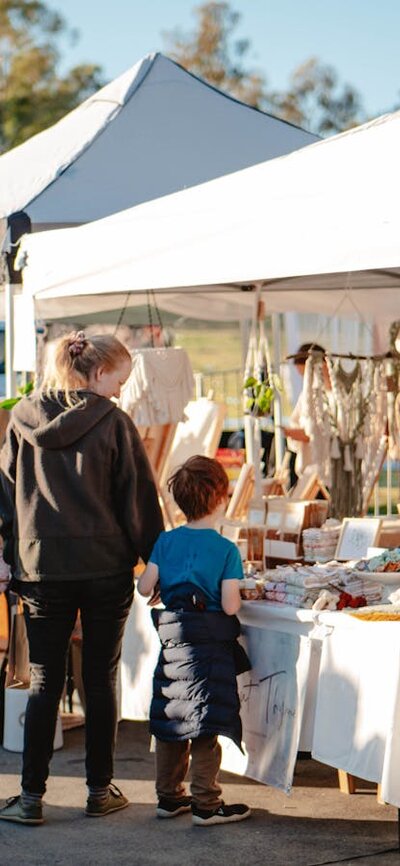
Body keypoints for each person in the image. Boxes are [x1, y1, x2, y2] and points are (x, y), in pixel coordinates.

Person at [0, 330, 164, 825]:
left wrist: (11, 553)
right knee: (99, 676)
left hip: (41, 567)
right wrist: (154, 559)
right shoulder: (114, 423)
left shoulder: (20, 419)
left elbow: (6, 494)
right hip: (105, 568)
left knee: (45, 679)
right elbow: (137, 499)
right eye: (119, 378)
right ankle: (98, 790)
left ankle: (30, 798)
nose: (121, 389)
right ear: (95, 372)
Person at [138, 455, 251, 827]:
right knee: (205, 721)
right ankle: (206, 803)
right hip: (208, 647)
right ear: (220, 496)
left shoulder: (165, 541)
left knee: (172, 718)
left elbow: (143, 587)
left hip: (172, 645)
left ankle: (169, 798)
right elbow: (231, 604)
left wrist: (163, 585)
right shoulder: (225, 549)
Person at [282, 343, 329, 484]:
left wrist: (292, 433)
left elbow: (319, 432)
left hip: (324, 467)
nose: (306, 380)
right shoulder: (307, 394)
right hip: (309, 469)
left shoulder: (330, 395)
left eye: (306, 375)